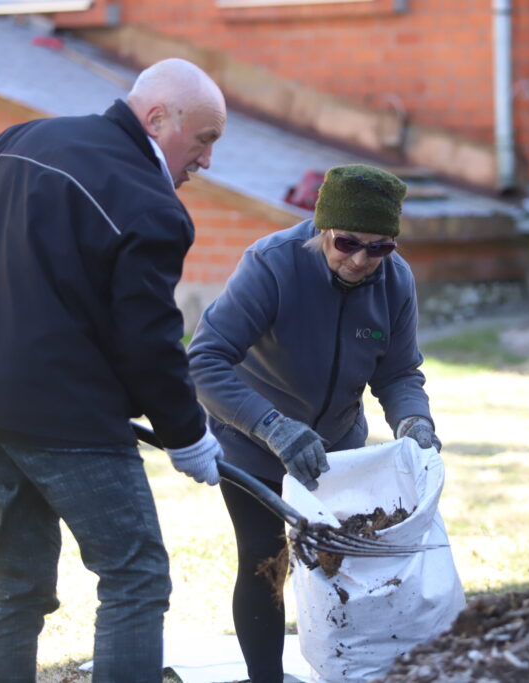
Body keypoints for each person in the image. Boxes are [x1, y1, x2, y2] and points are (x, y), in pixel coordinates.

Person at [0, 58, 227, 682]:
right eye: (205, 138)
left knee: (18, 585)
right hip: (68, 421)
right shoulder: (154, 207)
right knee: (136, 577)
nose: (207, 160)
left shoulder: (26, 139)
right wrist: (188, 436)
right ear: (158, 119)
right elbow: (149, 340)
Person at [187, 163, 441, 683]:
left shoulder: (394, 281)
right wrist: (273, 427)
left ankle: (350, 670)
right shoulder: (271, 264)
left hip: (339, 451)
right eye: (347, 243)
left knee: (346, 565)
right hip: (253, 442)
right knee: (266, 562)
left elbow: (398, 371)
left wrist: (414, 420)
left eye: (378, 247)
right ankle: (266, 679)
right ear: (322, 227)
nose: (360, 260)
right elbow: (205, 361)